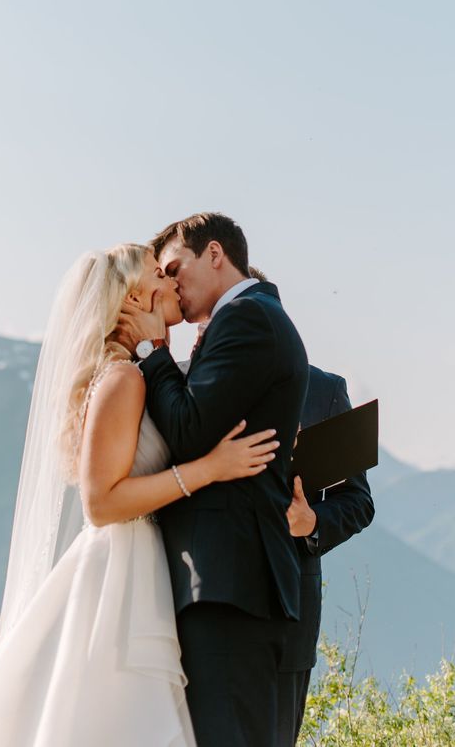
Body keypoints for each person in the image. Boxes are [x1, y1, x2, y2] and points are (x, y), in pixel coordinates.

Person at [0, 243, 280, 746]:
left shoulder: (132, 372)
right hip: (121, 571)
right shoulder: (123, 379)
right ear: (131, 299)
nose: (170, 282)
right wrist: (208, 469)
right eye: (157, 274)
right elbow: (101, 503)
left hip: (136, 562)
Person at [116, 213, 310, 747]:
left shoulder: (247, 318)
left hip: (229, 584)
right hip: (227, 582)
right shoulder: (245, 319)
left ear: (216, 254)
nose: (170, 283)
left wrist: (153, 353)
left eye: (176, 267)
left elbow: (187, 430)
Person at [285, 362, 375, 742]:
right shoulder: (189, 378)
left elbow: (359, 501)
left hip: (290, 617)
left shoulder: (323, 391)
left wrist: (312, 523)